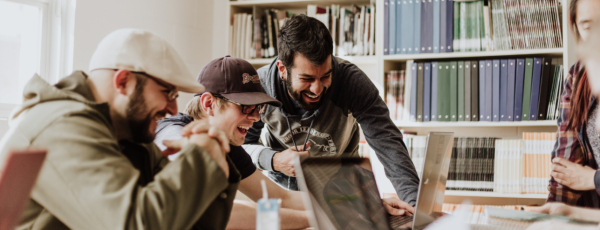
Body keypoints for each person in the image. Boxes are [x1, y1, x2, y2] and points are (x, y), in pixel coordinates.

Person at [0, 28, 239, 229]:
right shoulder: (61, 126)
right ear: (123, 81)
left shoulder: (129, 134)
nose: (174, 109)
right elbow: (136, 224)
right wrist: (200, 157)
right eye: (168, 92)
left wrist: (216, 159)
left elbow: (191, 223)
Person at [154, 56, 412, 229]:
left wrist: (360, 203)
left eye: (258, 109)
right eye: (246, 108)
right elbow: (223, 212)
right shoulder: (173, 132)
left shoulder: (229, 146)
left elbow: (278, 198)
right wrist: (326, 217)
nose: (255, 119)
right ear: (209, 104)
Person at [241, 14, 420, 209]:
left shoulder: (352, 81)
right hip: (283, 195)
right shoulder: (260, 86)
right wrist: (274, 160)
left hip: (342, 192)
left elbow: (388, 143)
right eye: (307, 79)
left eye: (325, 76)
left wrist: (415, 207)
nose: (317, 89)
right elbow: (241, 146)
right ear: (282, 69)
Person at [547, 0, 600, 209]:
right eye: (588, 27)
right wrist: (554, 213)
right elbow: (566, 167)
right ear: (575, 27)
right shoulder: (579, 76)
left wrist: (593, 179)